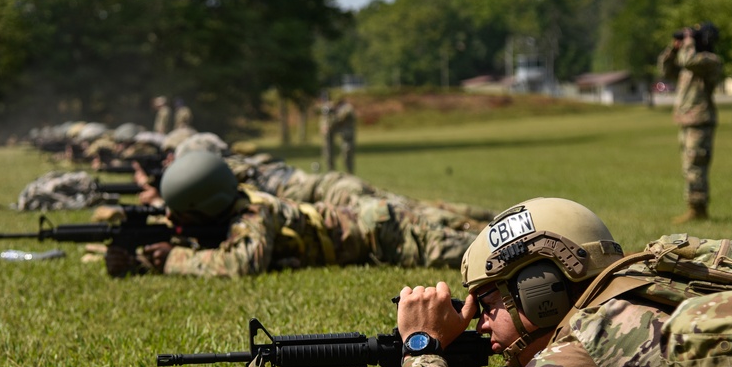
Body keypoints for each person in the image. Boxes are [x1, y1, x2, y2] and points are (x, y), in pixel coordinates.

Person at [394, 197, 664, 367]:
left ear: (541, 290)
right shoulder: (645, 289)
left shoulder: (593, 345)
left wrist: (422, 344)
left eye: (488, 303)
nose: (481, 325)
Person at [103, 151, 480, 278]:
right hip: (372, 223)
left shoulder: (256, 210)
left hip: (382, 230)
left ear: (205, 208)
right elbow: (193, 243)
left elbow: (241, 263)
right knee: (462, 227)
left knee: (481, 251)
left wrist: (172, 260)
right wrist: (139, 260)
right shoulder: (224, 212)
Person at [658, 22, 723, 223]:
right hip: (687, 120)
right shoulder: (690, 60)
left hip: (700, 120)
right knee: (688, 166)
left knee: (696, 164)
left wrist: (688, 44)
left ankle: (698, 208)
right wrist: (673, 48)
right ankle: (694, 207)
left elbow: (688, 61)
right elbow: (666, 69)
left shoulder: (709, 60)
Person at [321, 97, 356, 173]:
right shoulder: (329, 108)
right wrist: (326, 122)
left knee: (347, 152)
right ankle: (331, 171)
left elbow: (340, 117)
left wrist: (333, 113)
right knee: (328, 150)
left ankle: (349, 173)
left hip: (346, 133)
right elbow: (325, 125)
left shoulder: (347, 108)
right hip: (334, 130)